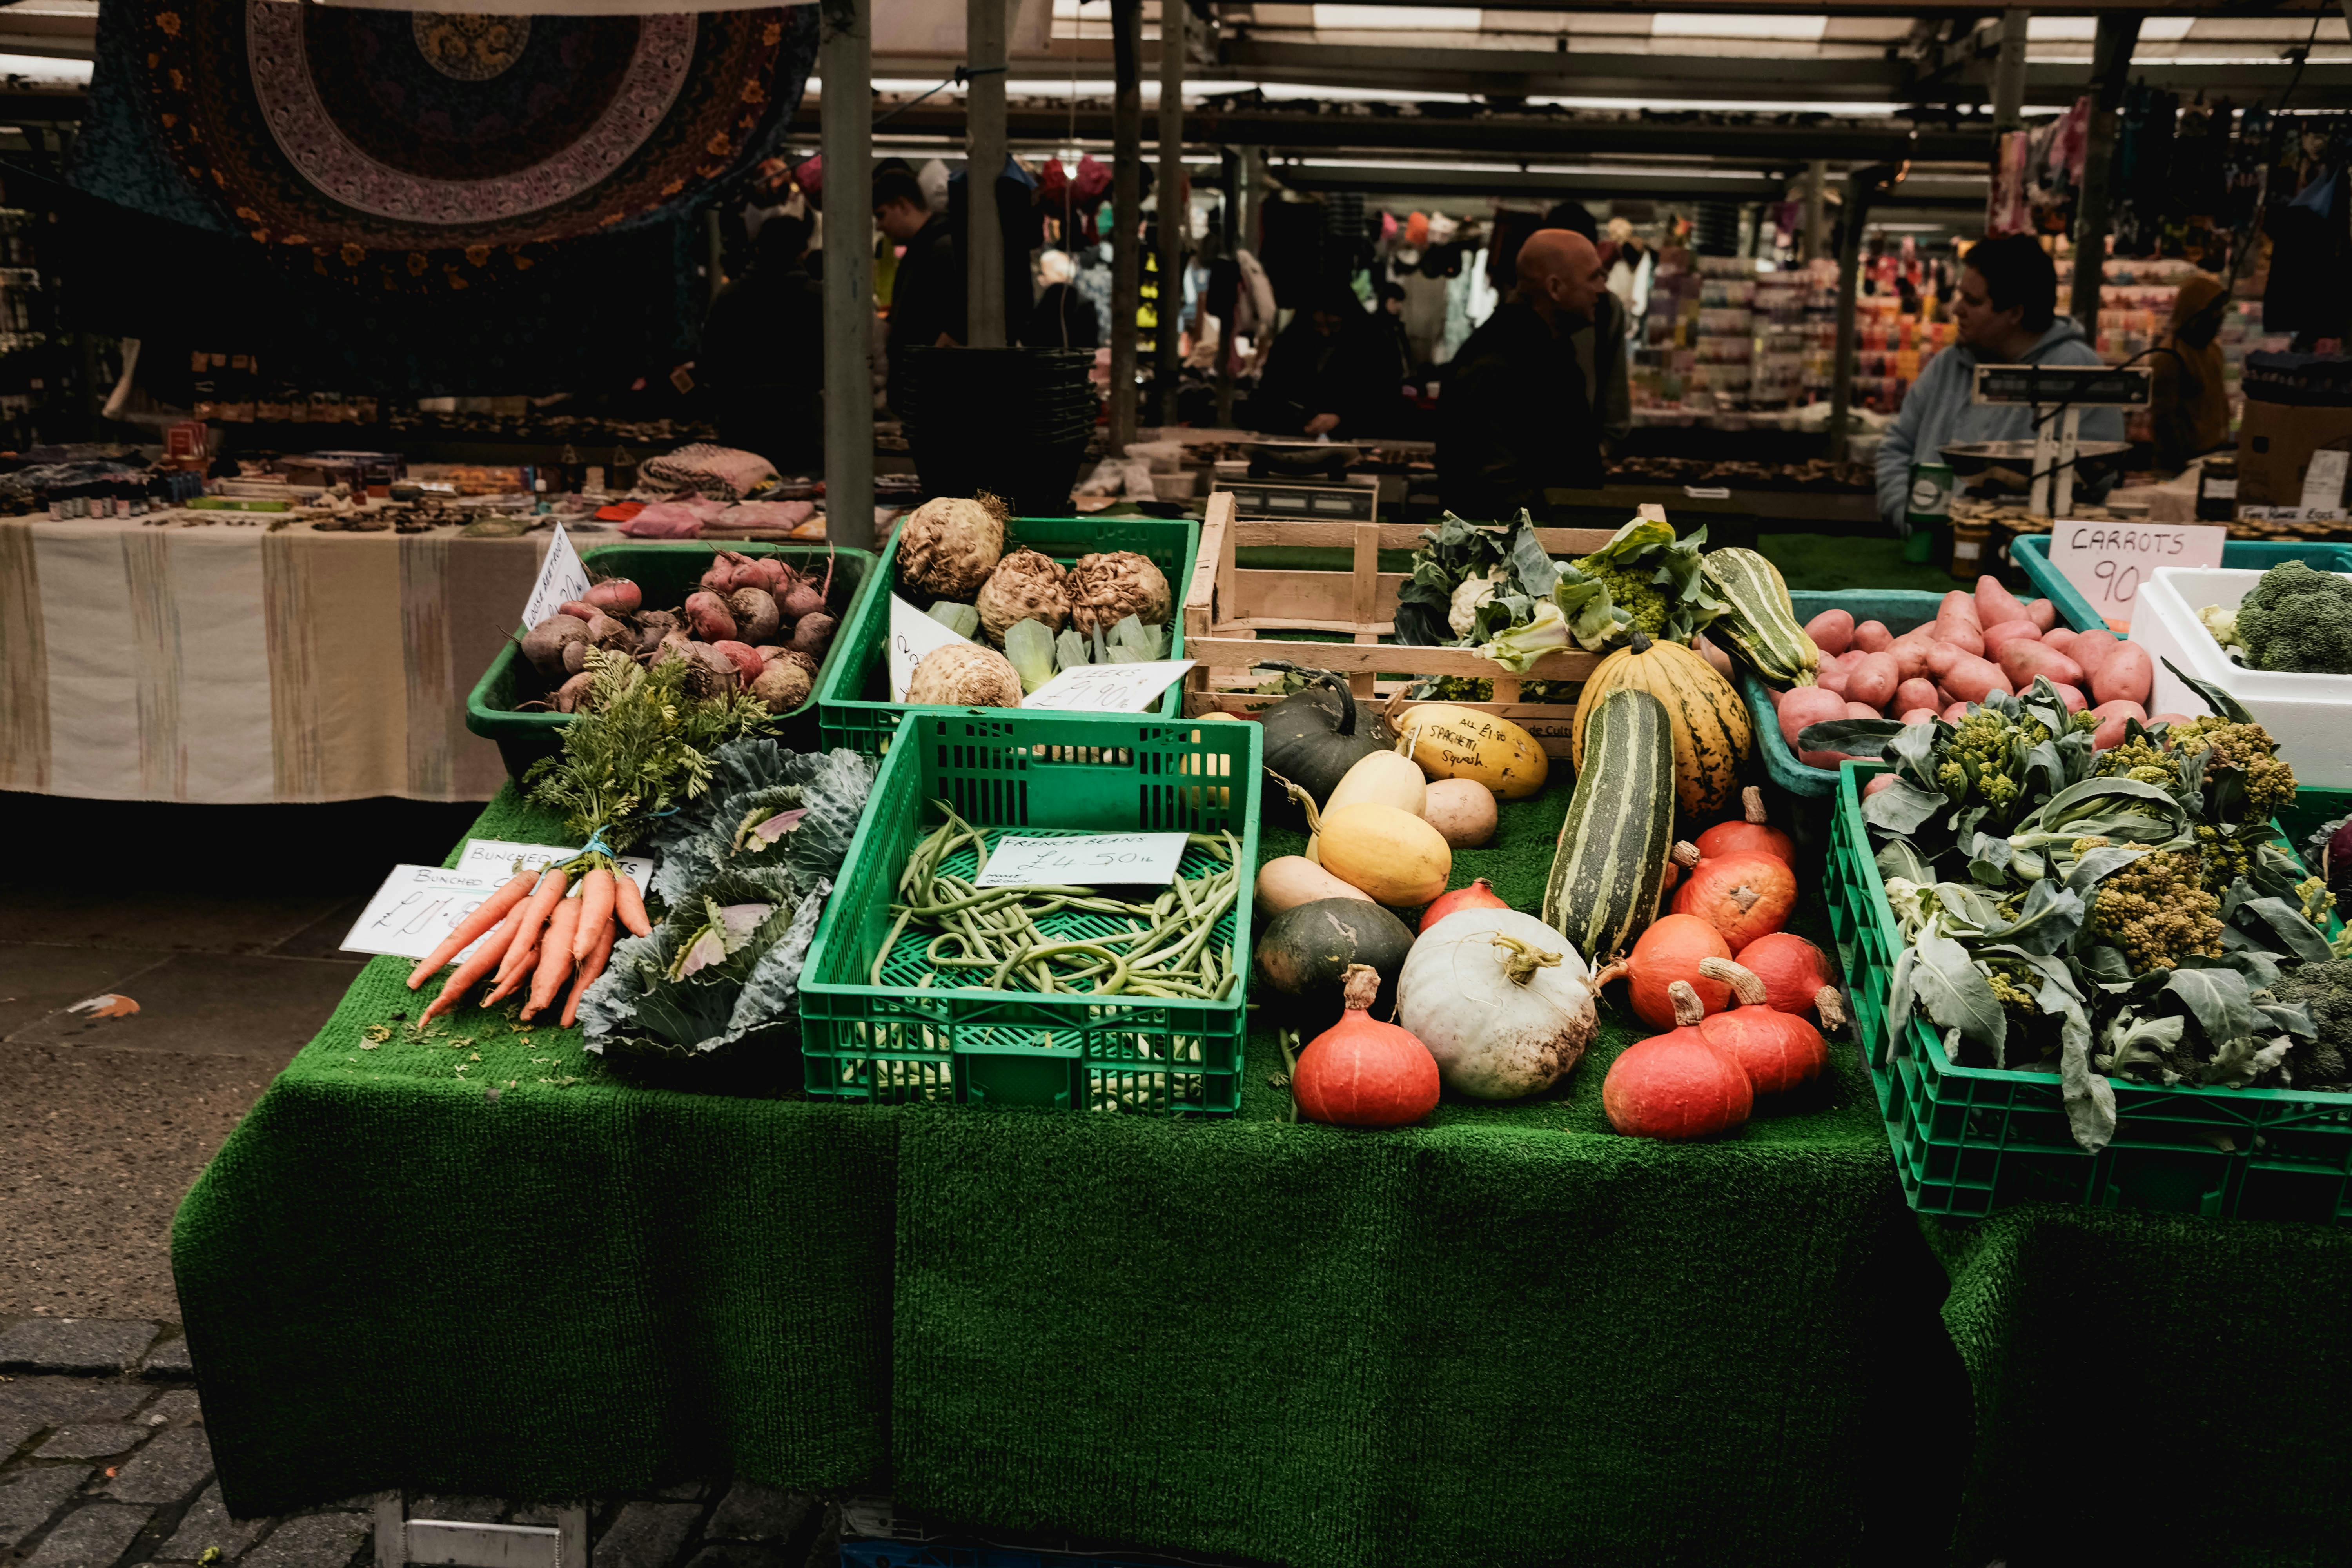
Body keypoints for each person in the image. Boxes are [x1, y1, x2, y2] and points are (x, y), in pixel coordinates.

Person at [1876, 233, 2124, 526]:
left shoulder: (2077, 370)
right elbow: (1897, 449)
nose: (1957, 310)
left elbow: (2097, 477)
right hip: (1927, 546)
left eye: (1973, 301)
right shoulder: (1948, 364)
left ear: (2015, 313)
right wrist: (1908, 515)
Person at [1437, 227, 1613, 518]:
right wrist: (1553, 532)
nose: (1602, 289)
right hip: (1517, 553)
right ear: (1555, 288)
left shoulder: (1545, 348)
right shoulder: (1498, 361)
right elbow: (1494, 485)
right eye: (1594, 277)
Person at [697, 212, 824, 472]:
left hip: (741, 421)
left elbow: (709, 362)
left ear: (757, 249)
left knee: (743, 500)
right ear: (803, 250)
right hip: (800, 423)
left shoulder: (729, 297)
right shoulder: (818, 299)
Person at [875, 167, 963, 414]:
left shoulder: (942, 249)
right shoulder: (923, 249)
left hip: (931, 401)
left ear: (903, 206)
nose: (880, 226)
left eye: (882, 215)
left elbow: (952, 328)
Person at [2147, 271, 2231, 473]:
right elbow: (2164, 419)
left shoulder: (2212, 350)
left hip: (2212, 454)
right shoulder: (2170, 355)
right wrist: (2177, 465)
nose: (2219, 317)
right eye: (2214, 310)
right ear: (2195, 313)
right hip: (2182, 463)